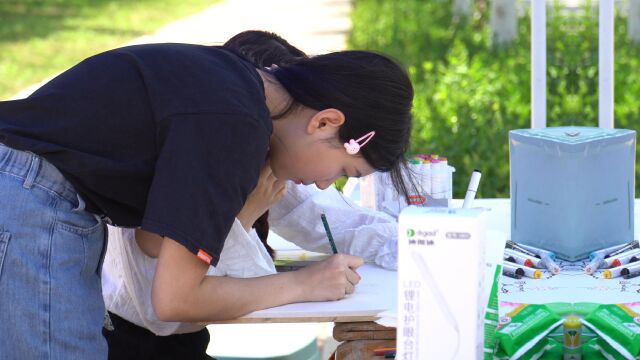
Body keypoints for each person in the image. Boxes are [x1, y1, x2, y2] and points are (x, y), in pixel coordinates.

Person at [0, 28, 413, 358]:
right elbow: (176, 300)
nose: (327, 184)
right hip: (30, 196)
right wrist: (306, 284)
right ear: (325, 122)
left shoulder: (231, 89)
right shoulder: (235, 125)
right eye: (342, 170)